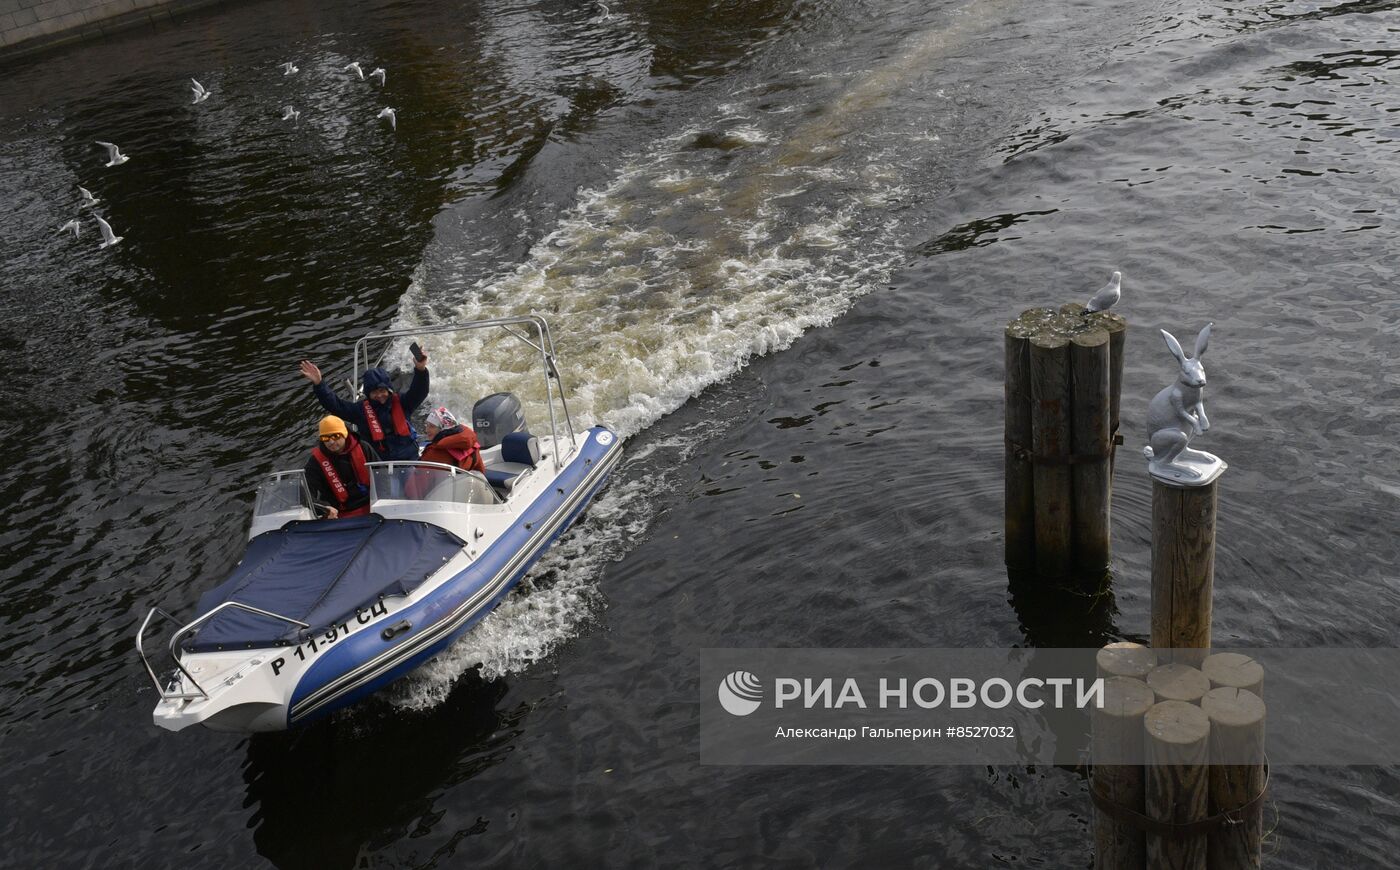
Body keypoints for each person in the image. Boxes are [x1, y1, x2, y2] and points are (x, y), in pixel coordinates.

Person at [298, 349, 429, 461]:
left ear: (389, 390)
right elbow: (335, 406)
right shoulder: (360, 411)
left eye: (382, 391)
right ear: (368, 394)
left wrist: (421, 369)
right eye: (374, 392)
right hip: (379, 466)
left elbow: (419, 391)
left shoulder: (403, 403)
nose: (379, 395)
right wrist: (319, 384)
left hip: (409, 460)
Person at [304, 416, 380, 519]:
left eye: (335, 436)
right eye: (325, 438)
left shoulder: (364, 448)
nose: (331, 442)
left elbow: (382, 474)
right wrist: (324, 508)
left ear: (344, 434)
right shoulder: (315, 462)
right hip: (338, 514)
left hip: (372, 504)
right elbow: (306, 493)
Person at [418, 406, 486, 473]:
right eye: (426, 425)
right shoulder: (473, 446)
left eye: (432, 426)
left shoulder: (432, 454)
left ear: (443, 429)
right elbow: (481, 470)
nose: (427, 430)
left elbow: (418, 479)